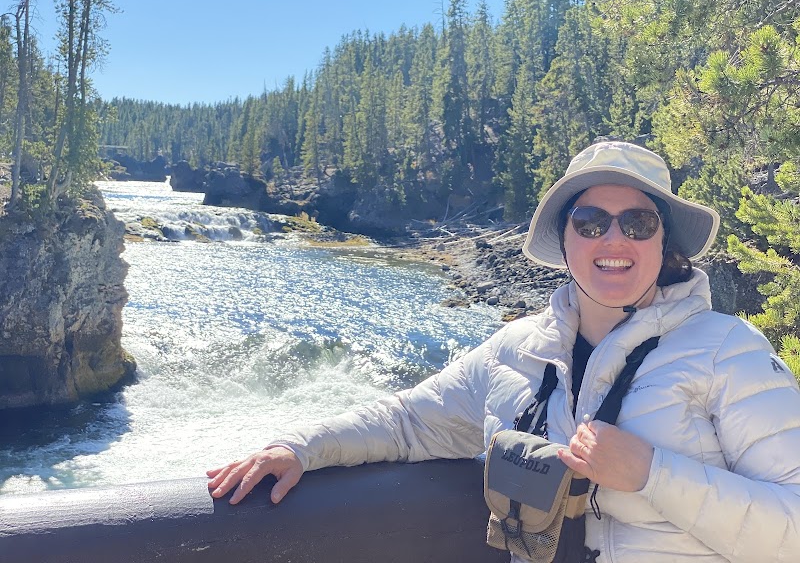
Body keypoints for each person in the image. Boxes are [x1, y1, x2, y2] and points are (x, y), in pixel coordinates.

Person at [208, 141, 800, 562]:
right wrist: (299, 449)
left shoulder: (729, 351)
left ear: (663, 241)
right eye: (591, 221)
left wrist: (652, 474)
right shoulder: (514, 351)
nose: (614, 239)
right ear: (565, 239)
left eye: (638, 222)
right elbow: (409, 422)